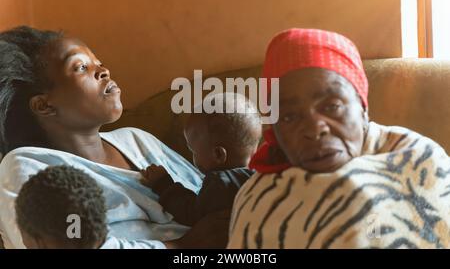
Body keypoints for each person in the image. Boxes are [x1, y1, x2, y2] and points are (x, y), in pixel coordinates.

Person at [0, 26, 225, 249]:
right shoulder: (28, 165)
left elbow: (210, 196)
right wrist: (182, 246)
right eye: (81, 67)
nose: (103, 70)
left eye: (98, 62)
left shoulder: (138, 140)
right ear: (44, 105)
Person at [228, 28, 450, 249]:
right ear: (274, 131)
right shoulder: (260, 198)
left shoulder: (418, 159)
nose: (315, 129)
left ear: (363, 107)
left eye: (332, 106)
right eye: (289, 116)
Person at [141, 92, 261, 226]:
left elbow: (190, 213)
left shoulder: (220, 183)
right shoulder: (262, 174)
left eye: (194, 151)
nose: (193, 156)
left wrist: (163, 184)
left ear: (218, 155)